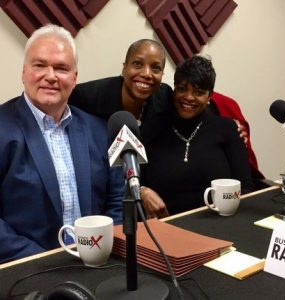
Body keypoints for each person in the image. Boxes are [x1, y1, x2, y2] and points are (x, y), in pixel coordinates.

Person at [68, 39, 261, 217]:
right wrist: (141, 190)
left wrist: (231, 127)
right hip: (99, 193)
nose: (146, 73)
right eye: (137, 64)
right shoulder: (86, 96)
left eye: (155, 68)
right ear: (124, 67)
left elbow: (196, 113)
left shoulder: (163, 99)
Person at [0, 24, 124, 263]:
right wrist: (41, 261)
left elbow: (118, 199)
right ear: (24, 72)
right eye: (40, 65)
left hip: (98, 262)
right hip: (27, 271)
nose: (51, 76)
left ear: (75, 78)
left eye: (61, 68)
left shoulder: (99, 130)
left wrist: (106, 247)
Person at [140, 55, 255, 216]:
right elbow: (136, 181)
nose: (188, 97)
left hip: (220, 225)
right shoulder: (154, 128)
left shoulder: (227, 129)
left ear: (209, 96)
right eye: (182, 89)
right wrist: (141, 191)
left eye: (198, 92)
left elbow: (246, 188)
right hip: (165, 228)